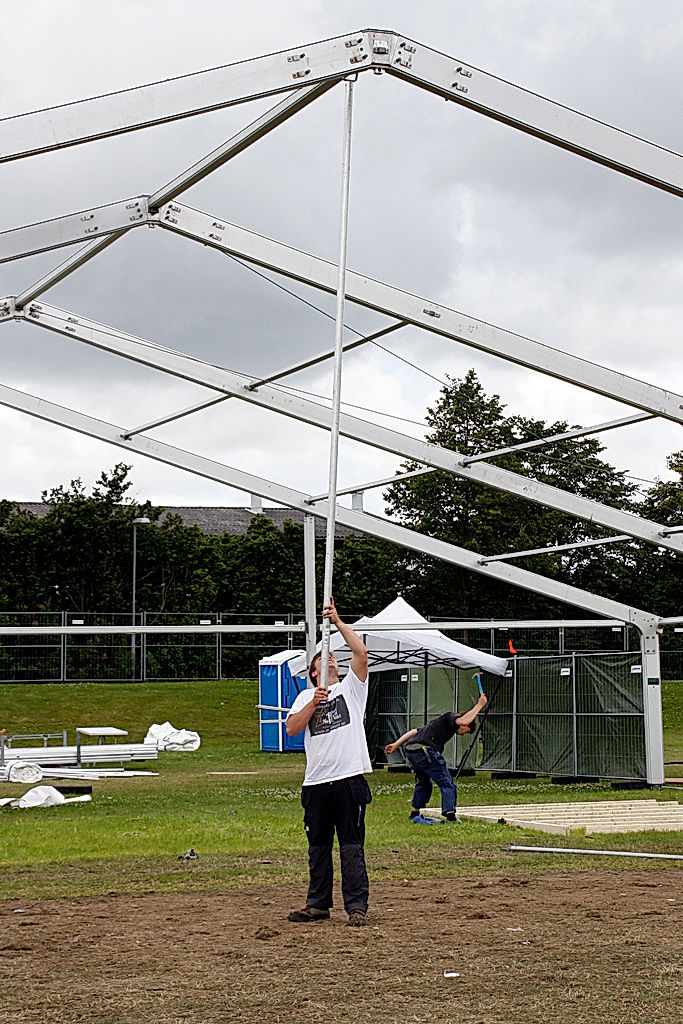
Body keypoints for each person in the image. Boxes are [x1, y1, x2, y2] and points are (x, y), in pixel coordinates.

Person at [285, 597, 372, 927]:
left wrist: (336, 622)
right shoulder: (305, 697)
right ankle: (318, 903)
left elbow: (361, 654)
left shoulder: (352, 689)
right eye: (323, 659)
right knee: (318, 847)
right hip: (316, 783)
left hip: (349, 779)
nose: (330, 661)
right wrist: (313, 704)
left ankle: (356, 907)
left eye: (334, 658)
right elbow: (293, 728)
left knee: (351, 846)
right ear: (312, 672)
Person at [384, 692, 487, 824]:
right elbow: (464, 721)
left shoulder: (436, 725)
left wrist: (396, 745)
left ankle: (414, 812)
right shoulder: (450, 717)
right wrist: (480, 705)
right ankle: (450, 816)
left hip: (412, 750)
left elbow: (414, 731)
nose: (462, 735)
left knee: (423, 781)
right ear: (464, 726)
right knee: (447, 782)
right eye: (465, 732)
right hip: (425, 751)